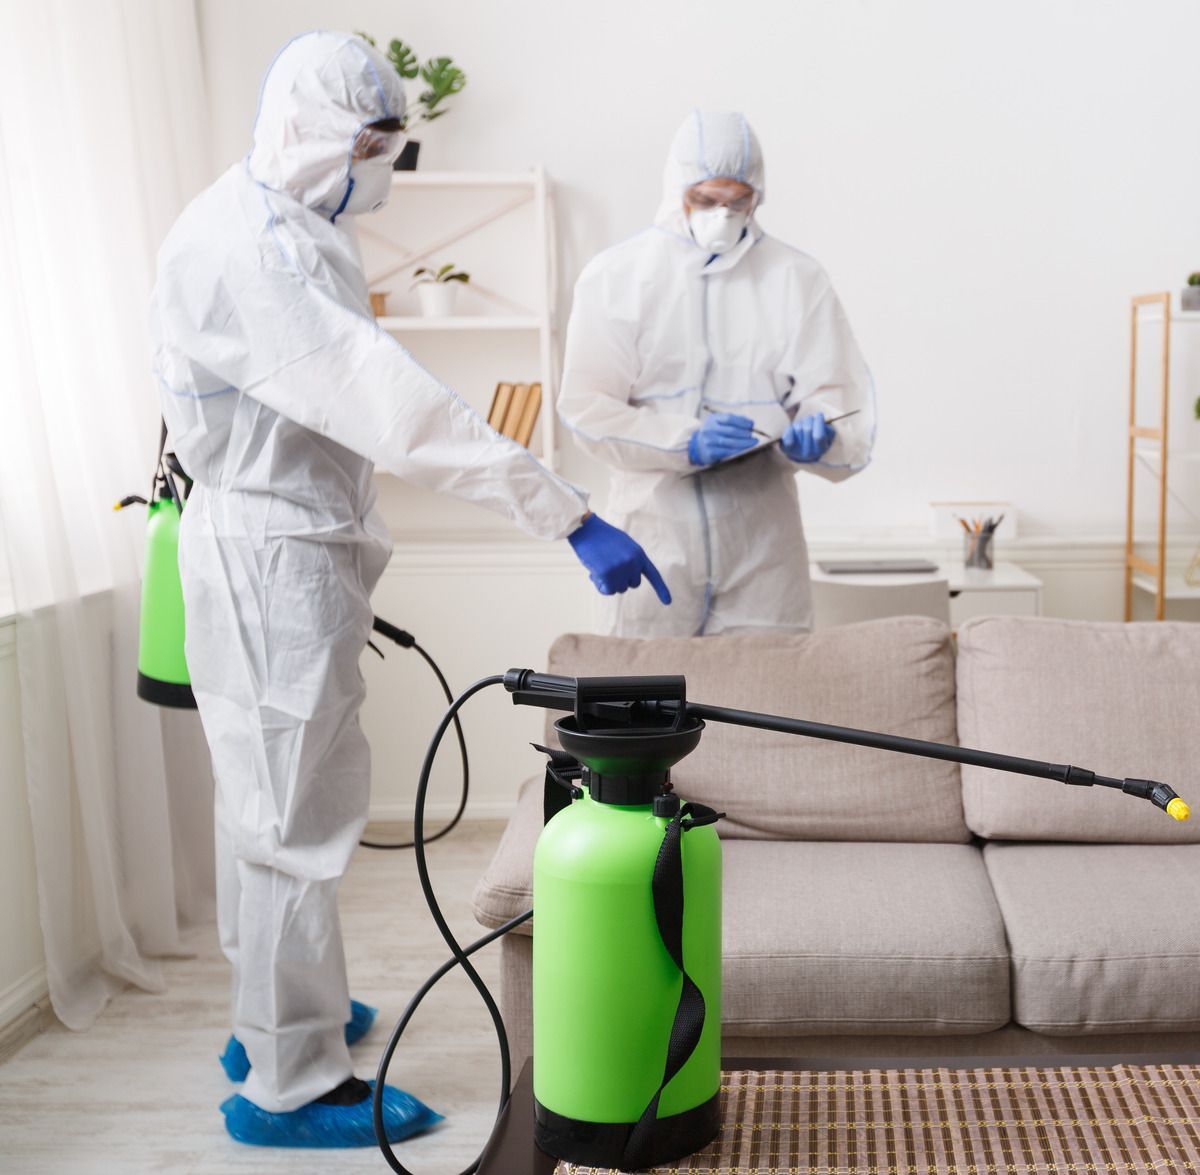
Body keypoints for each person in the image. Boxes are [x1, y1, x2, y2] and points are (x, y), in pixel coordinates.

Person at [148, 31, 667, 1148]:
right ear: (314, 134)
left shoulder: (292, 224)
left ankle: (275, 1019)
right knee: (291, 822)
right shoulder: (254, 248)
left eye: (393, 140)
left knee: (268, 807)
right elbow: (390, 401)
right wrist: (567, 514)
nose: (386, 163)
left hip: (286, 542)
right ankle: (291, 1081)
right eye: (372, 142)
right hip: (273, 549)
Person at [559, 110, 875, 637]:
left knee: (769, 687)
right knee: (644, 685)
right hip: (655, 535)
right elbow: (587, 410)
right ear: (677, 190)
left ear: (758, 195)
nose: (723, 214)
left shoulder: (795, 278)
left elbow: (838, 396)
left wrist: (818, 434)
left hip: (763, 549)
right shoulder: (618, 277)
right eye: (706, 199)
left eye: (738, 200)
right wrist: (685, 441)